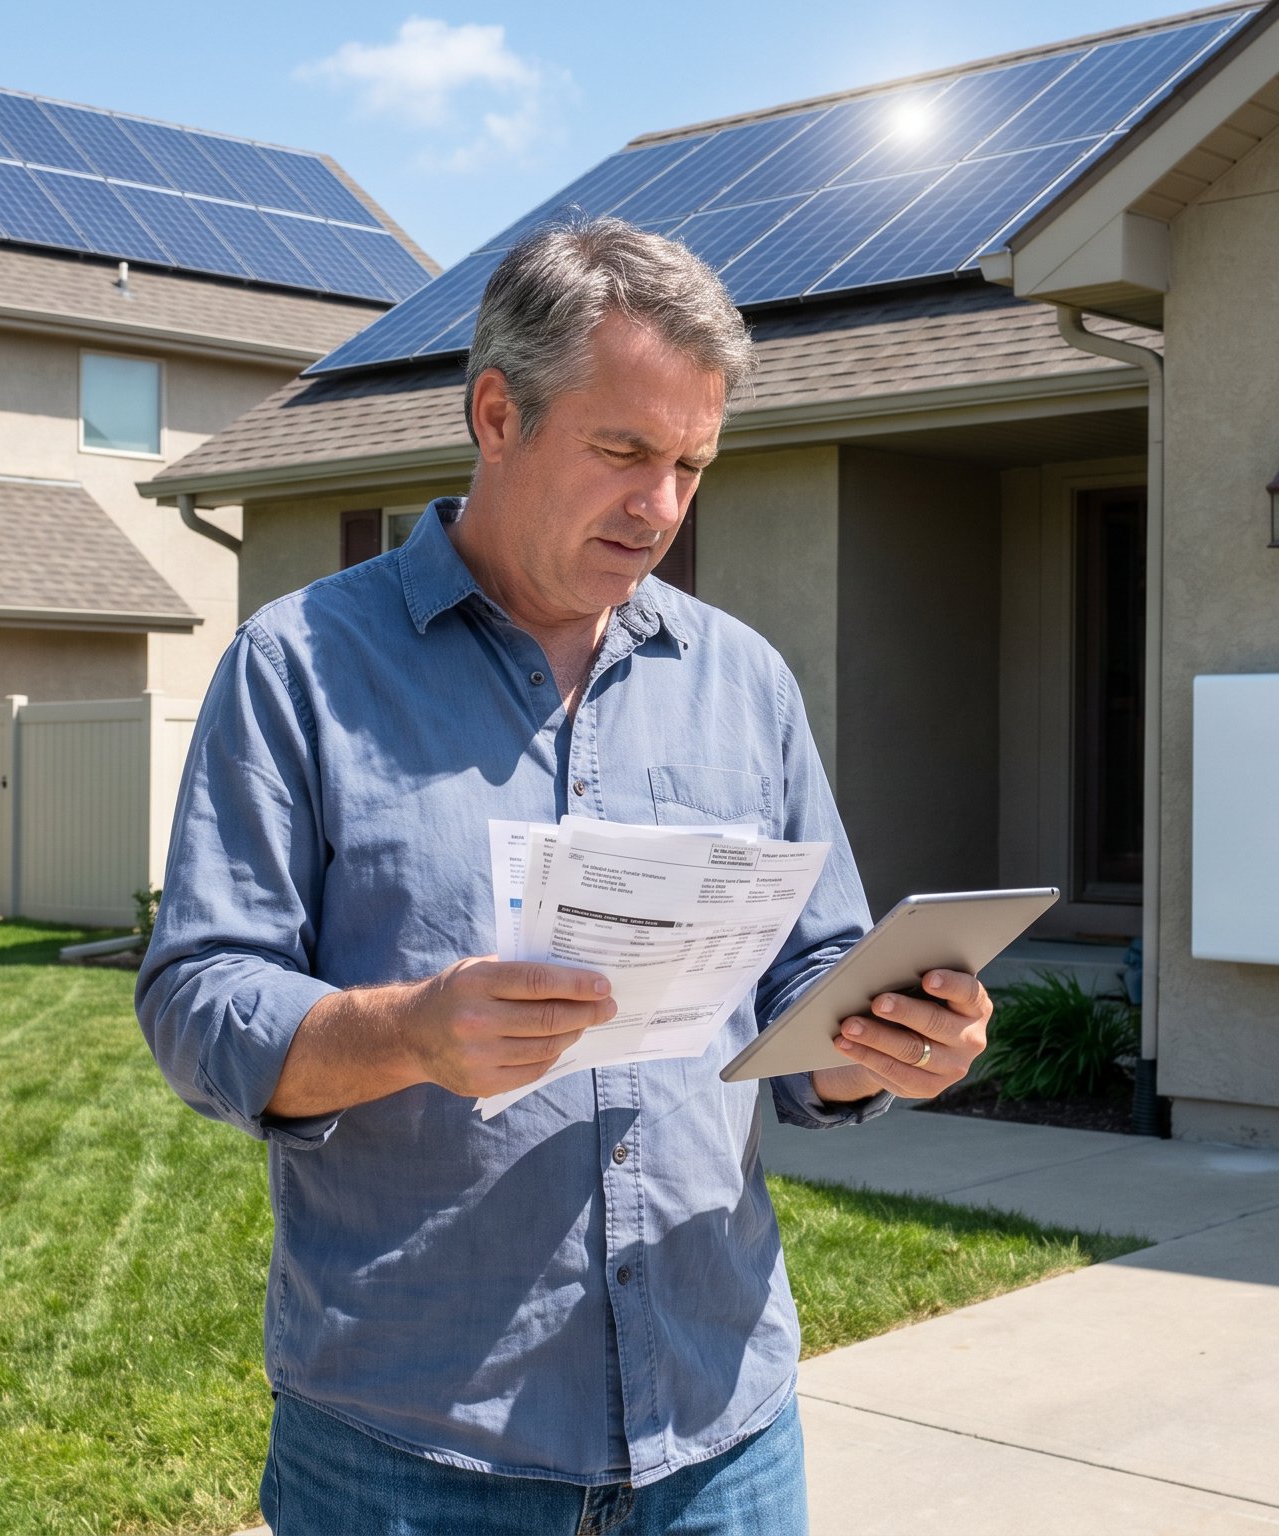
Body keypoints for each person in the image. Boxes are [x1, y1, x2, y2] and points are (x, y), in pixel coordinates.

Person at [137, 218, 993, 1535]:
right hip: (415, 1457)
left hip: (723, 1433)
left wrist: (879, 1042)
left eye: (692, 465)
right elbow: (198, 1000)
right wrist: (411, 1031)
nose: (660, 505)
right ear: (496, 412)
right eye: (623, 451)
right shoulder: (300, 667)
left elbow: (811, 972)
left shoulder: (742, 680)